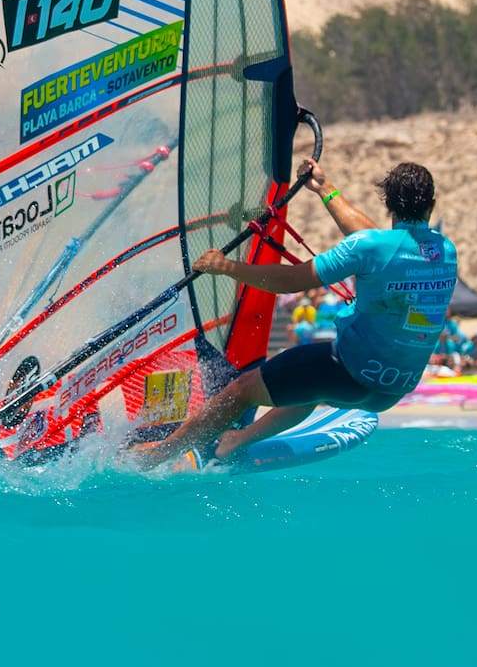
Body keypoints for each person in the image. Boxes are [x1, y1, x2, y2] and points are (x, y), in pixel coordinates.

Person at [135, 160, 455, 466]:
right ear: (433, 203)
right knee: (307, 386)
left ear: (389, 204)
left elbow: (290, 281)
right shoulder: (445, 251)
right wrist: (325, 189)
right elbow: (378, 242)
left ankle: (158, 455)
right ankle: (236, 440)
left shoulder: (371, 247)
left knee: (244, 390)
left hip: (349, 374)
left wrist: (226, 267)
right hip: (392, 390)